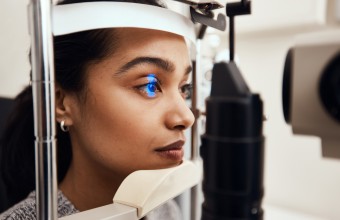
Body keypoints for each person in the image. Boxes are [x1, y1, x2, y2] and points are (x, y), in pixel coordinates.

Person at [0, 0, 195, 219]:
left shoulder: (164, 210)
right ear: (60, 102)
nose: (186, 117)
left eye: (183, 88)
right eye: (149, 86)